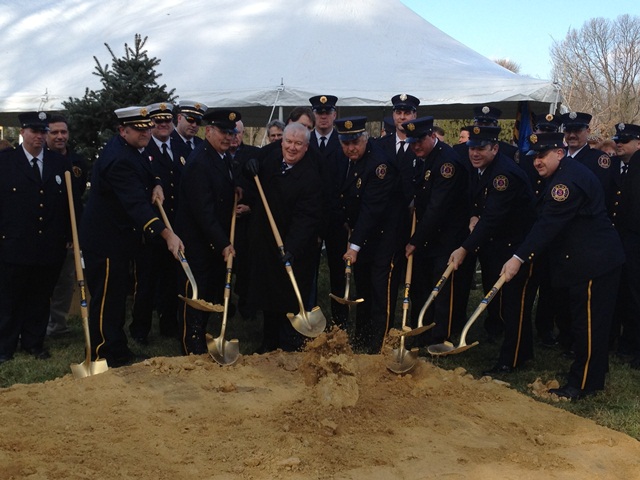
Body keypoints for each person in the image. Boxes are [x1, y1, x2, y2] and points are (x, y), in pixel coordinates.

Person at [501, 132, 624, 399]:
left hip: (593, 261)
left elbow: (548, 225)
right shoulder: (564, 173)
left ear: (559, 152)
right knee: (589, 323)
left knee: (588, 325)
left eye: (543, 156)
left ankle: (582, 384)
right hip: (588, 259)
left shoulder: (565, 182)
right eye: (534, 157)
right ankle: (593, 375)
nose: (537, 162)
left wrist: (517, 258)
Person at [80, 106, 184, 367]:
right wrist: (167, 233)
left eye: (148, 128)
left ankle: (117, 348)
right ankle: (102, 353)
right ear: (123, 130)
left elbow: (149, 168)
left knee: (116, 297)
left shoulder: (135, 148)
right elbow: (136, 205)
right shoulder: (119, 159)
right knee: (106, 299)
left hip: (120, 238)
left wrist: (158, 182)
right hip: (105, 239)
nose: (146, 133)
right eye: (139, 129)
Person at [449, 126, 537, 376]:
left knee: (514, 304)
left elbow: (494, 217)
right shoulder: (482, 170)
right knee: (502, 303)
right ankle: (522, 349)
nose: (474, 153)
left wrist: (464, 248)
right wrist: (475, 214)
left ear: (495, 148)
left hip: (517, 247)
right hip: (497, 244)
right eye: (472, 148)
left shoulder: (504, 175)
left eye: (481, 148)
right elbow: (482, 206)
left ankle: (511, 360)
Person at [0, 112, 73, 364]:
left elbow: (68, 206)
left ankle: (33, 342)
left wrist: (68, 236)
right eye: (34, 131)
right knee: (10, 298)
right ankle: (5, 346)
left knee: (40, 298)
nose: (39, 137)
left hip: (48, 245)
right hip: (13, 243)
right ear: (22, 132)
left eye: (43, 132)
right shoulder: (5, 162)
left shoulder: (58, 164)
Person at [244, 122, 323, 352]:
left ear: (306, 147)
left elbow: (306, 219)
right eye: (288, 142)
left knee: (288, 297)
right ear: (281, 142)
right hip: (267, 242)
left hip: (293, 247)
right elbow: (248, 169)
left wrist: (292, 248)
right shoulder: (270, 160)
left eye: (298, 143)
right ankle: (268, 342)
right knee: (268, 295)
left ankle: (290, 343)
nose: (292, 147)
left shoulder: (310, 178)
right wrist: (249, 167)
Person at [174, 109, 241, 355]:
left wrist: (236, 191)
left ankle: (201, 337)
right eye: (223, 132)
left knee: (210, 293)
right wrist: (223, 243)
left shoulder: (220, 157)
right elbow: (203, 212)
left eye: (232, 132)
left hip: (212, 242)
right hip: (198, 243)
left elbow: (221, 191)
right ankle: (191, 346)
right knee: (196, 295)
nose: (228, 137)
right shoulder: (199, 162)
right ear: (209, 131)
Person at [402, 116, 473, 345]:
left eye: (420, 141)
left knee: (442, 287)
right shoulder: (425, 158)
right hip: (428, 234)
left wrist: (415, 240)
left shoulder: (446, 163)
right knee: (422, 285)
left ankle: (441, 336)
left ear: (432, 136)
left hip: (446, 235)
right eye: (412, 142)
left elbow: (437, 207)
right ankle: (421, 330)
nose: (415, 146)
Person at [129, 102, 190, 344]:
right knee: (146, 281)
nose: (163, 125)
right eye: (158, 121)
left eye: (167, 120)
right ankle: (140, 329)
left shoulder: (180, 146)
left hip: (176, 225)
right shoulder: (144, 148)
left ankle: (168, 324)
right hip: (152, 227)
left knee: (171, 279)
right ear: (150, 123)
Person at [337, 116, 400, 353]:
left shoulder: (379, 165)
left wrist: (354, 246)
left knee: (379, 288)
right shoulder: (348, 160)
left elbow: (371, 209)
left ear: (364, 138)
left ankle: (380, 343)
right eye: (345, 143)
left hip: (385, 236)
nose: (350, 148)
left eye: (355, 142)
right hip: (362, 235)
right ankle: (361, 339)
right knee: (362, 288)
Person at [307, 95, 350, 327]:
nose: (323, 116)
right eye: (319, 112)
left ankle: (340, 322)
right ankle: (310, 318)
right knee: (308, 270)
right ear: (314, 114)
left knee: (338, 270)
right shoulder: (305, 140)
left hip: (336, 218)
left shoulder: (343, 142)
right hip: (311, 217)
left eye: (327, 112)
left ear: (335, 115)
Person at [45, 114, 89, 337]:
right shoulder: (41, 161)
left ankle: (57, 325)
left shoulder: (78, 162)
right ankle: (34, 324)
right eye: (54, 132)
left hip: (70, 231)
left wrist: (74, 234)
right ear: (46, 135)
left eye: (63, 132)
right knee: (41, 282)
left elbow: (77, 197)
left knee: (65, 280)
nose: (60, 136)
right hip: (44, 232)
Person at [609, 123, 640, 366]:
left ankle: (633, 345)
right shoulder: (612, 167)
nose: (619, 143)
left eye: (625, 140)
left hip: (635, 240)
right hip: (615, 238)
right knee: (617, 291)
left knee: (634, 293)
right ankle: (616, 341)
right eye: (618, 139)